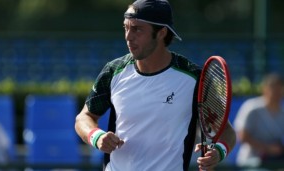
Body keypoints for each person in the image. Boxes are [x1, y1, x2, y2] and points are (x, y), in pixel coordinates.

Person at [75, 0, 236, 170]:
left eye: (137, 29)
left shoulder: (195, 78)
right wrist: (97, 136)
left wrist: (219, 151)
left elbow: (227, 131)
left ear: (161, 32)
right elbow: (84, 118)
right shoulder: (113, 71)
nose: (128, 36)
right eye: (126, 28)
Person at [234, 73, 284, 168]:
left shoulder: (282, 111)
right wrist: (268, 149)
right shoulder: (251, 107)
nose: (277, 93)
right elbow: (242, 136)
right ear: (265, 89)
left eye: (279, 89)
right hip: (251, 161)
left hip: (277, 162)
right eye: (273, 88)